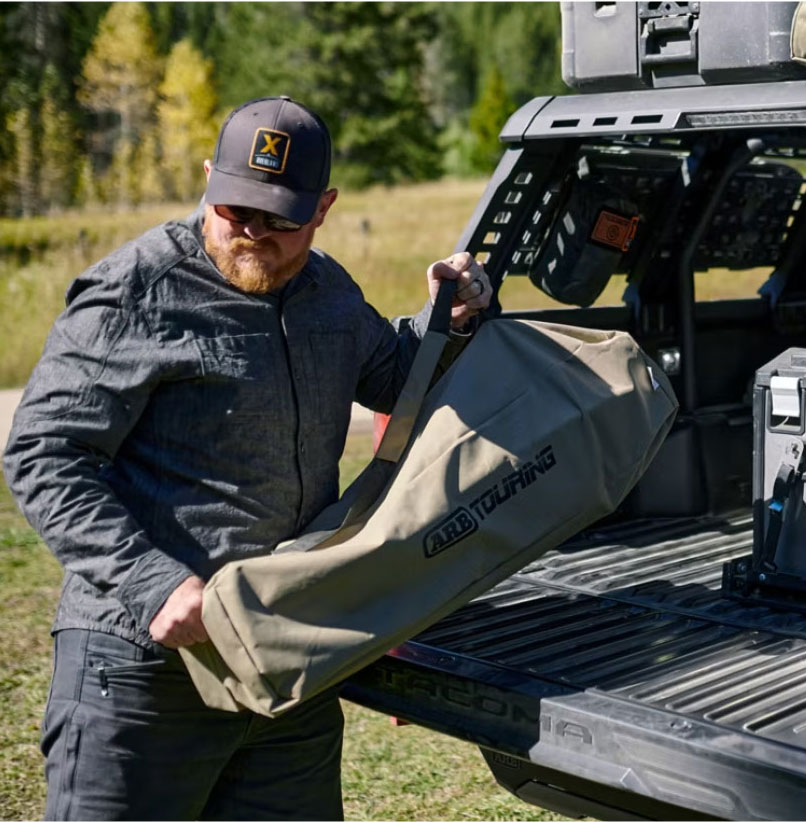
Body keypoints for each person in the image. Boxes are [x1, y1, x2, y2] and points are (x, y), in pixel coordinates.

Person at [2, 96, 491, 820]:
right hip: (144, 670)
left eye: (280, 219)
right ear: (208, 179)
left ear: (323, 207)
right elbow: (45, 453)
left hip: (283, 660)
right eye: (236, 210)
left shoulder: (329, 292)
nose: (253, 234)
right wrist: (153, 582)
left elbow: (395, 377)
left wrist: (446, 319)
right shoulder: (136, 292)